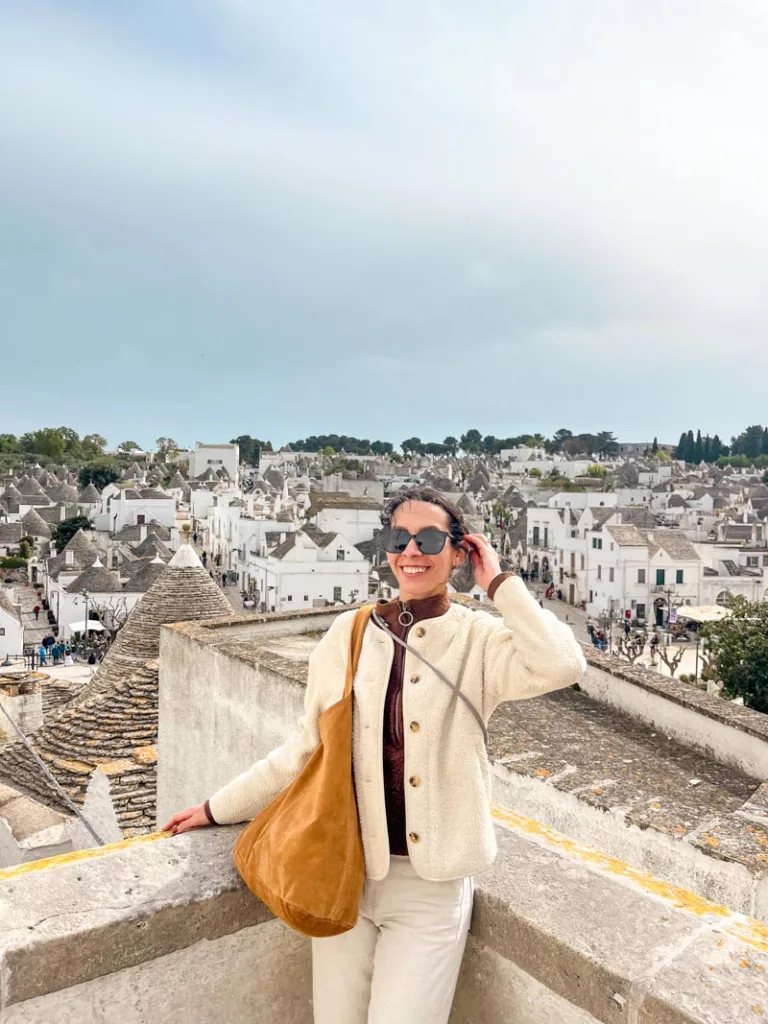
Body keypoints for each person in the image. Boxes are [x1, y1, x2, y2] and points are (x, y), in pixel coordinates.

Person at [164, 486, 586, 1024]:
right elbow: (306, 748)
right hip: (346, 873)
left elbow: (562, 665)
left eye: (430, 538)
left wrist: (499, 582)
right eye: (399, 538)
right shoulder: (349, 633)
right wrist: (216, 808)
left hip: (431, 891)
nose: (412, 550)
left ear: (460, 552)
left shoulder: (479, 639)